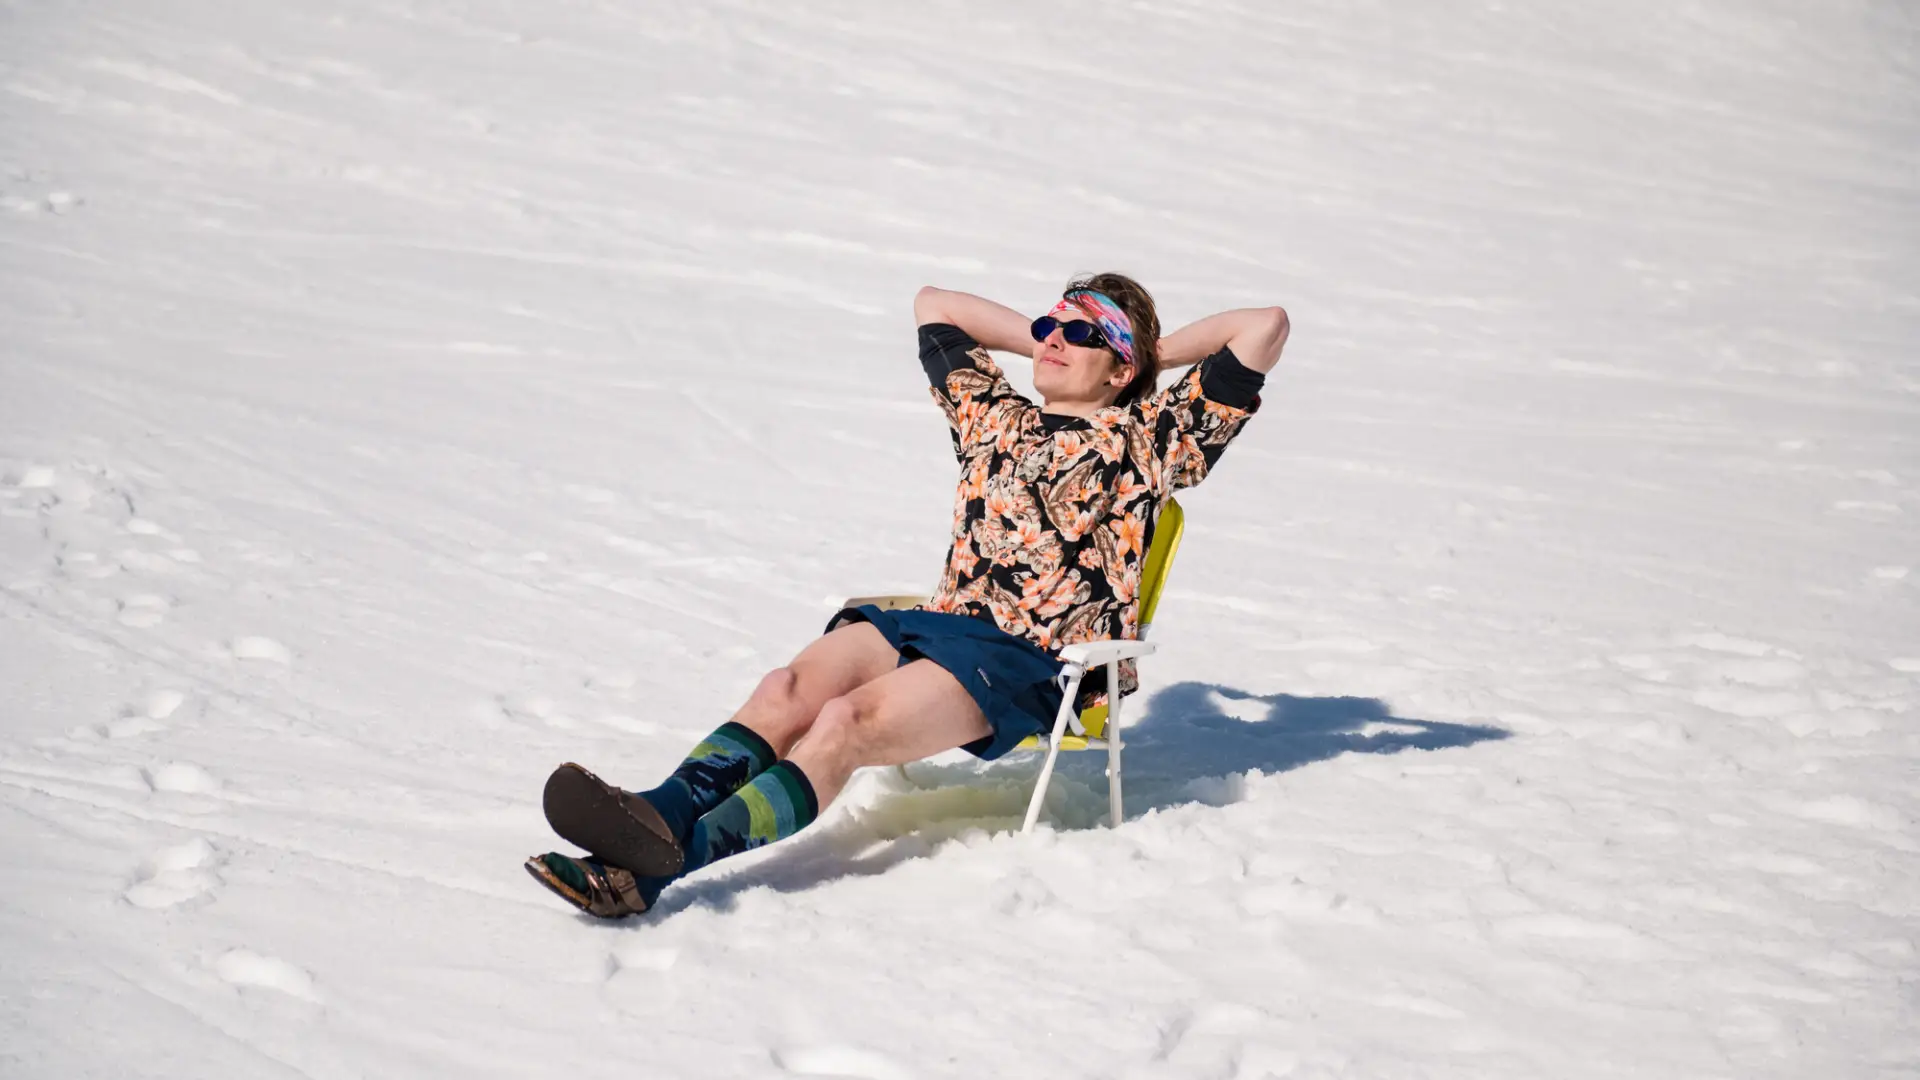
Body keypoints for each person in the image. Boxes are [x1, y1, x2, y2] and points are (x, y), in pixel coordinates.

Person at [527, 273, 1290, 917]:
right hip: (937, 623)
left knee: (843, 724)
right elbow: (934, 305)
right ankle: (658, 813)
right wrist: (1050, 339)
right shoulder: (992, 414)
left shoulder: (1150, 440)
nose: (1055, 339)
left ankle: (659, 867)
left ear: (1122, 368)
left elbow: (1264, 326)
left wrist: (1147, 357)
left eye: (1081, 334)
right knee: (783, 688)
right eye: (1050, 324)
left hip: (1028, 662)